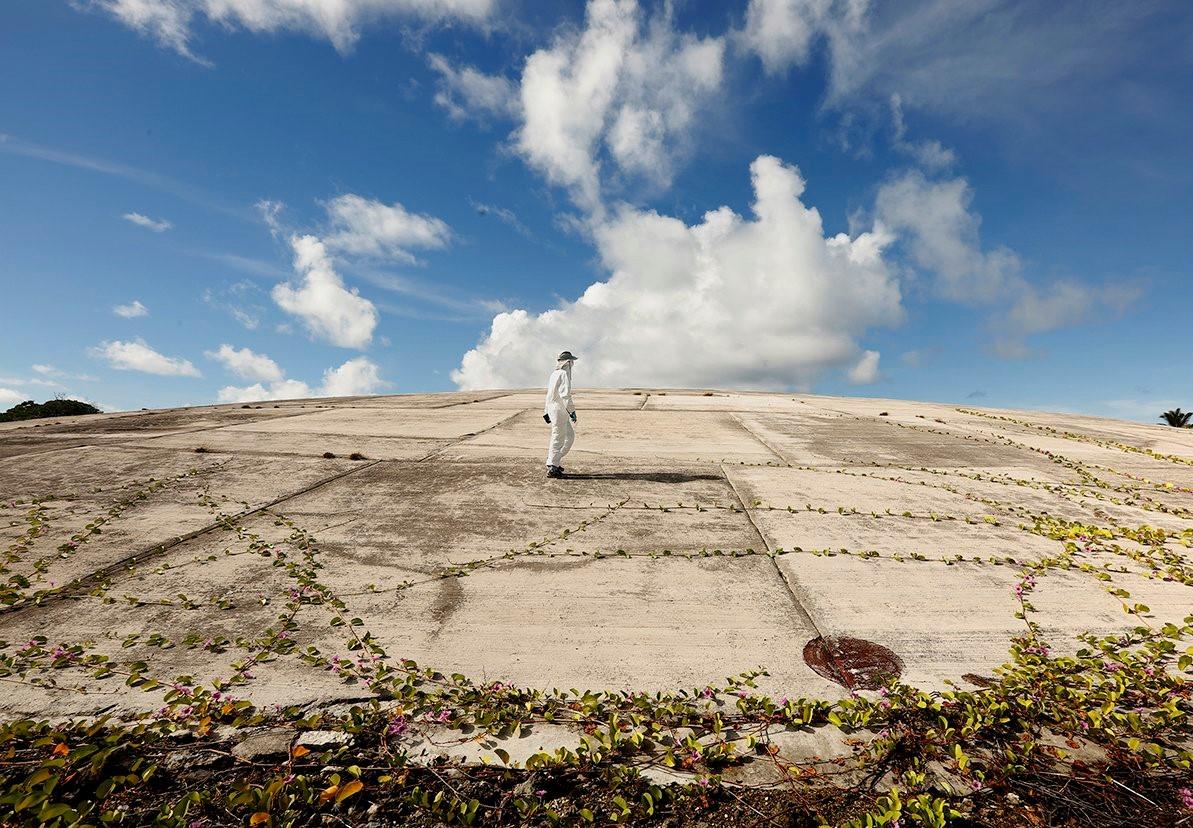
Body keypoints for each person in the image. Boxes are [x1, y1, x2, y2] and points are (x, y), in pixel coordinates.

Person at [543, 351, 578, 478]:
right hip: (560, 411)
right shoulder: (563, 374)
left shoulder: (553, 374)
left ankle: (554, 461)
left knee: (570, 436)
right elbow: (565, 395)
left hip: (556, 411)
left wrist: (546, 411)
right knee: (558, 437)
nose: (573, 364)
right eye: (571, 362)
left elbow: (549, 395)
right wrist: (572, 411)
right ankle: (552, 466)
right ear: (567, 362)